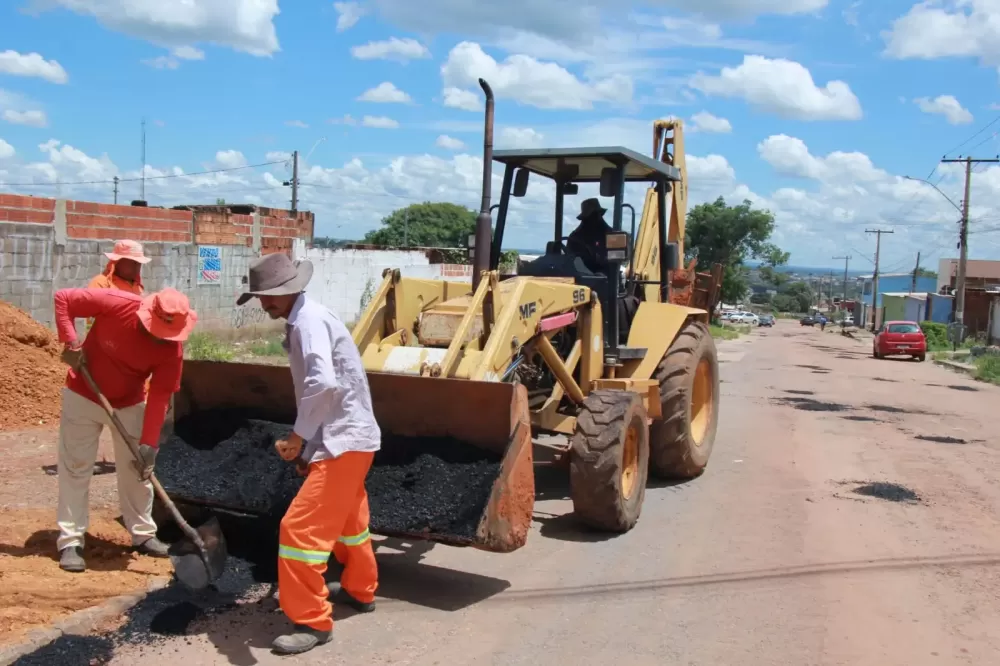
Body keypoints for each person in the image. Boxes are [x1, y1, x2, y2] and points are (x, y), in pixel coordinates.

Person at [236, 252, 381, 656]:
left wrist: (299, 439)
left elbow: (323, 384)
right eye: (261, 297)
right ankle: (360, 589)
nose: (264, 304)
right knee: (350, 521)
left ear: (291, 290)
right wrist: (312, 447)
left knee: (298, 532)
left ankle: (312, 620)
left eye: (269, 296)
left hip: (344, 439)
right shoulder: (308, 317)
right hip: (349, 437)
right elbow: (328, 391)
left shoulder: (309, 322)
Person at [52, 286, 197, 573]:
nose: (160, 338)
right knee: (76, 466)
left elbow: (158, 397)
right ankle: (70, 540)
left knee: (138, 469)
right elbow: (63, 299)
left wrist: (149, 444)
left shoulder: (172, 350)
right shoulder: (116, 303)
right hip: (84, 391)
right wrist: (71, 342)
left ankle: (143, 535)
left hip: (130, 402)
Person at [566, 197, 613, 274]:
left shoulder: (611, 235)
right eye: (590, 217)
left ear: (599, 215)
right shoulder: (575, 238)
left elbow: (613, 261)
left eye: (596, 215)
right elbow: (570, 262)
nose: (594, 219)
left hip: (606, 279)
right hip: (582, 279)